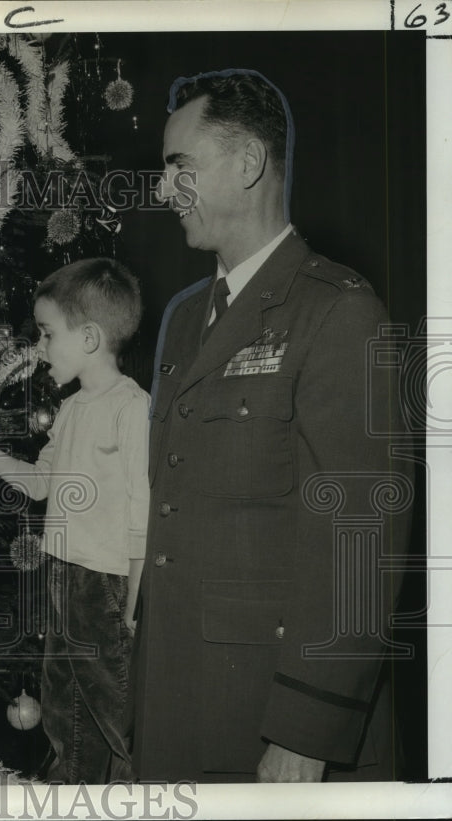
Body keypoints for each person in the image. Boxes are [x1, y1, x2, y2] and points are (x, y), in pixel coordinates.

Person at [131, 70, 413, 782]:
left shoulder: (338, 310)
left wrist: (306, 725)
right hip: (179, 700)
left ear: (249, 163)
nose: (165, 191)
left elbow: (360, 534)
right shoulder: (186, 315)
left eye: (180, 167)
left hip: (272, 719)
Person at [0, 258, 150, 783]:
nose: (39, 348)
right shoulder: (72, 408)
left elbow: (144, 512)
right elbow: (37, 482)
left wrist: (135, 602)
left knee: (118, 719)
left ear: (89, 337)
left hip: (106, 586)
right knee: (64, 718)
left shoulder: (133, 409)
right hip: (60, 576)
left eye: (47, 333)